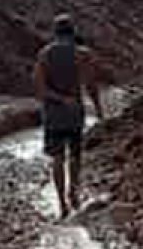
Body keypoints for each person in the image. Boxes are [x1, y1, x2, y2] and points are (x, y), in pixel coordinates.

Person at [34, 14, 104, 219]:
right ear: (73, 32)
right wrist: (98, 109)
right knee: (75, 155)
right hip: (75, 111)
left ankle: (62, 203)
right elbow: (91, 84)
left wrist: (58, 98)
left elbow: (39, 88)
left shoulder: (44, 54)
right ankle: (73, 192)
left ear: (55, 33)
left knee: (57, 158)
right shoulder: (83, 54)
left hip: (53, 112)